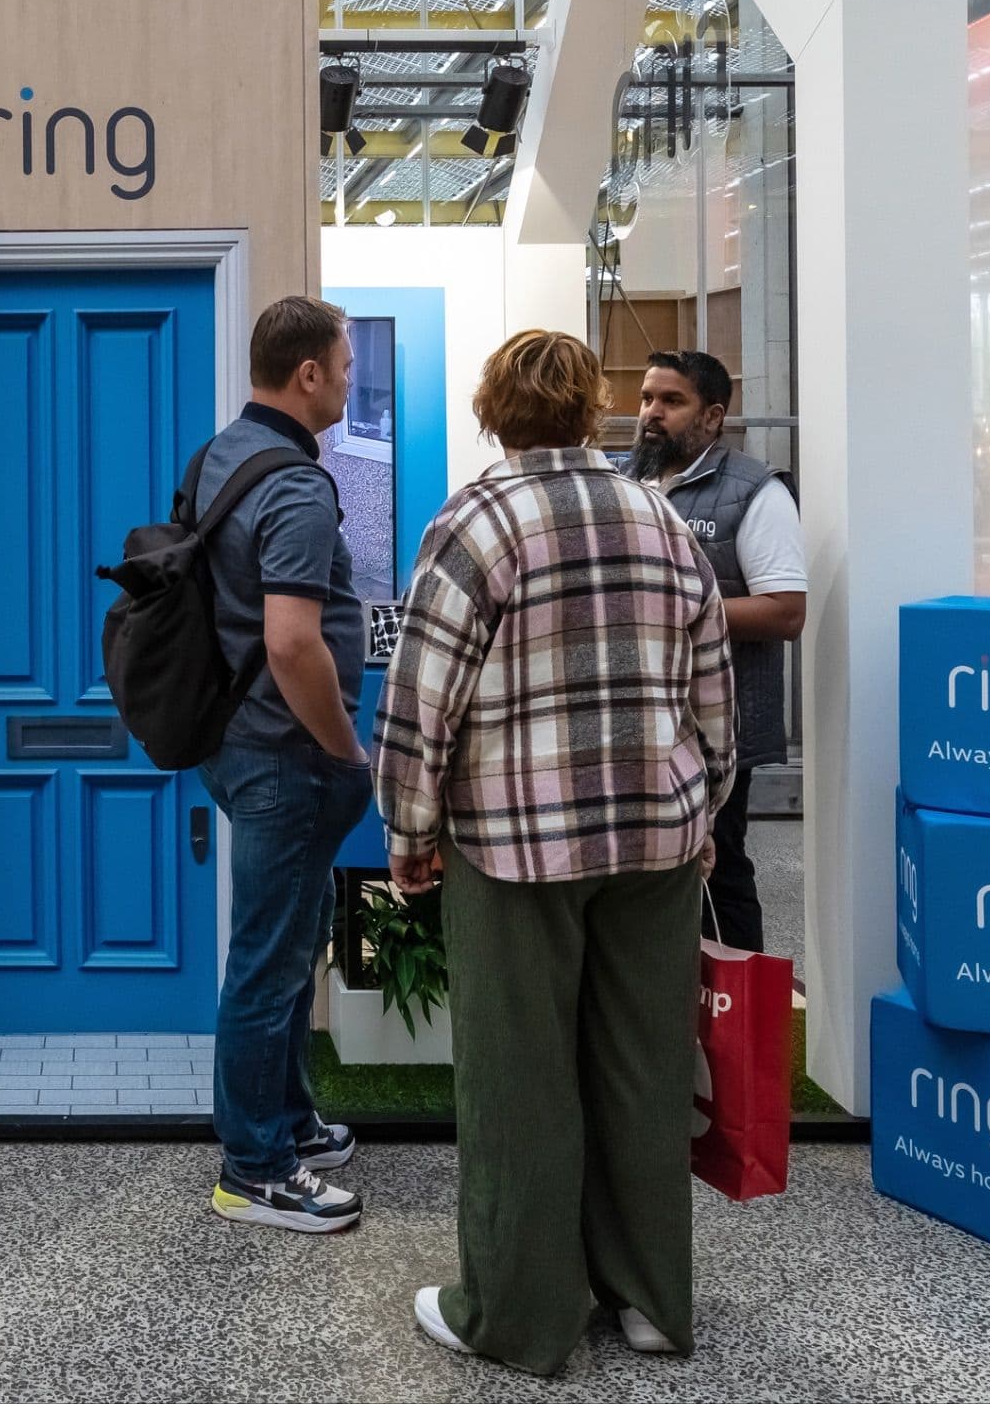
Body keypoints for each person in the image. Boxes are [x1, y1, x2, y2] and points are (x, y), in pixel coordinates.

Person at [375, 329, 735, 1373]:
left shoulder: (476, 519)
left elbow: (420, 696)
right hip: (654, 838)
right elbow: (709, 690)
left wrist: (408, 830)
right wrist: (699, 806)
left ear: (491, 411)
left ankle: (516, 1314)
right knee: (642, 1065)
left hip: (515, 841)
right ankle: (651, 1300)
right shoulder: (659, 518)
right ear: (593, 409)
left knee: (517, 1076)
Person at [194, 295, 372, 1235]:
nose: (349, 380)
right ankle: (254, 1166)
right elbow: (295, 642)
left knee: (290, 947)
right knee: (269, 963)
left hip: (238, 746)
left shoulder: (223, 452)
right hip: (287, 756)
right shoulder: (297, 485)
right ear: (308, 373)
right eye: (343, 366)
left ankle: (289, 1123)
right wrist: (348, 750)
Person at [629, 349, 806, 953]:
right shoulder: (632, 484)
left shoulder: (756, 492)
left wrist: (673, 609)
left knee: (720, 871)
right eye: (647, 398)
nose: (652, 413)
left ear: (712, 416)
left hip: (721, 729)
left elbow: (786, 611)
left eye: (671, 401)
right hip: (648, 723)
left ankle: (741, 1029)